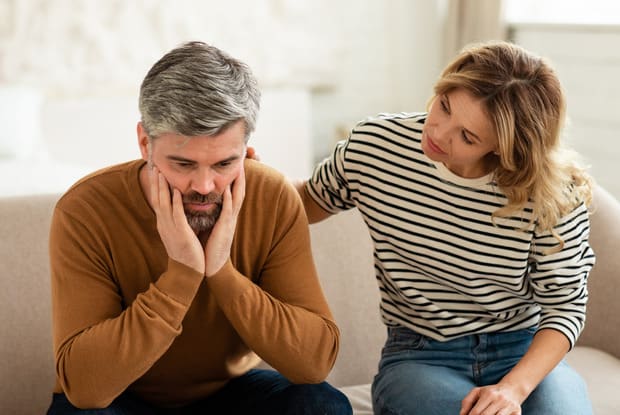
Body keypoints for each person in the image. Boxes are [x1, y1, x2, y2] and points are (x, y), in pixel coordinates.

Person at [46, 41, 352, 415]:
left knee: (321, 405)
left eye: (224, 163)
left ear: (246, 148)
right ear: (145, 143)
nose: (205, 187)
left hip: (230, 393)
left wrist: (221, 271)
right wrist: (183, 274)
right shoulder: (85, 211)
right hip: (121, 397)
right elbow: (85, 387)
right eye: (183, 165)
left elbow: (315, 361)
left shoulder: (270, 197)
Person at [295, 41, 595, 414]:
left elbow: (564, 308)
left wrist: (512, 390)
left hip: (521, 351)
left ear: (505, 149)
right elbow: (302, 204)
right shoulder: (376, 148)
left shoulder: (552, 193)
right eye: (444, 106)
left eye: (467, 136)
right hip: (421, 355)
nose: (438, 133)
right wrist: (243, 175)